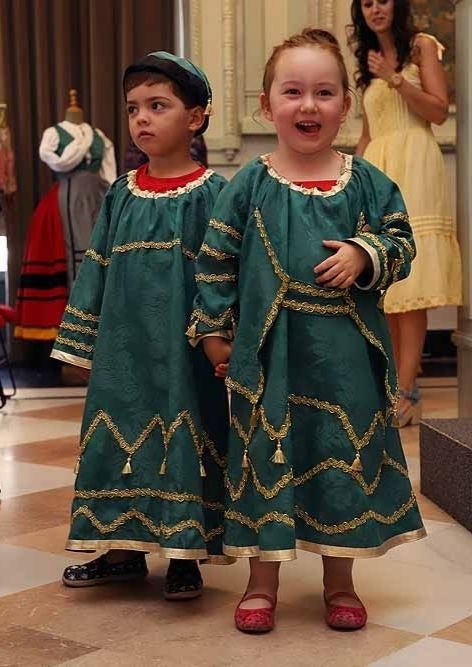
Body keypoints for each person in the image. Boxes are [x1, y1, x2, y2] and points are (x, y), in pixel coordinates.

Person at [187, 27, 426, 633]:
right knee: (266, 457)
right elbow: (215, 262)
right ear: (268, 106)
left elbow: (403, 241)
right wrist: (215, 334)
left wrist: (365, 254)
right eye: (293, 92)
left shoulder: (367, 182)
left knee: (341, 454)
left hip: (345, 357)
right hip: (270, 354)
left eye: (324, 92)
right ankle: (261, 582)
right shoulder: (249, 183)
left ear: (346, 104)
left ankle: (340, 581)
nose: (309, 105)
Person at [51, 51, 230, 599]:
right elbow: (96, 267)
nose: (142, 119)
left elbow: (223, 274)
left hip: (183, 353)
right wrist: (79, 346)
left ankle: (184, 554)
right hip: (122, 354)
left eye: (158, 106)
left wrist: (221, 337)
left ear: (196, 117)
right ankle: (123, 550)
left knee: (184, 437)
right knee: (118, 439)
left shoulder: (214, 193)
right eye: (133, 109)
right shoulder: (121, 193)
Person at [349, 0, 462, 427]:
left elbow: (437, 110)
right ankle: (392, 383)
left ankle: (408, 390)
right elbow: (365, 134)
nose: (376, 8)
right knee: (386, 285)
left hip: (415, 161)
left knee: (410, 280)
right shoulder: (367, 63)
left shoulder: (421, 47)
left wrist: (395, 79)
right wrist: (352, 179)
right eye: (367, 2)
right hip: (378, 165)